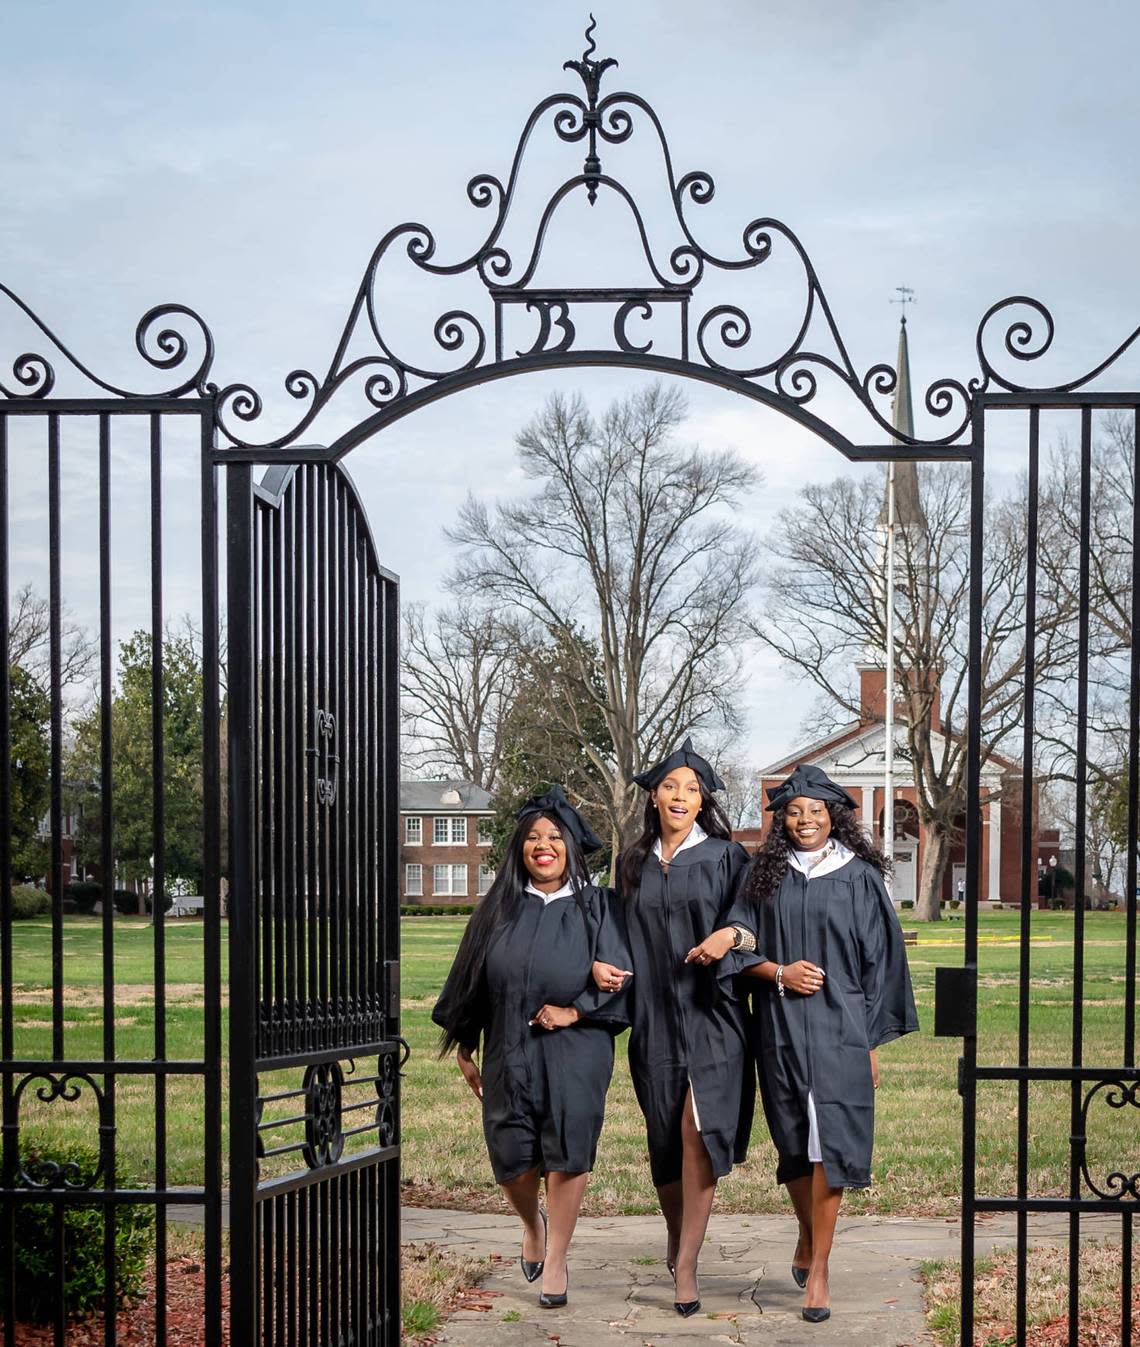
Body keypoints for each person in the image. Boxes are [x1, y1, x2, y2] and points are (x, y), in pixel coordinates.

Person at [692, 763, 919, 1324]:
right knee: (795, 1141)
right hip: (781, 1025)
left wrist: (867, 1040)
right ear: (781, 821)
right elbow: (739, 943)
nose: (804, 820)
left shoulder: (860, 876)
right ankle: (806, 1229)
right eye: (794, 812)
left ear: (834, 816)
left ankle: (819, 1267)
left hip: (841, 1028)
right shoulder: (763, 876)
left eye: (815, 811)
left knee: (832, 1140)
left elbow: (882, 964)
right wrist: (777, 972)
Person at [432, 785, 628, 1309]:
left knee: (567, 1151)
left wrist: (576, 1008)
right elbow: (470, 979)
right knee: (514, 1158)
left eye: (555, 837)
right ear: (520, 847)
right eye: (534, 837)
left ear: (570, 846)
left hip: (576, 1049)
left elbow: (623, 977)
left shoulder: (598, 908)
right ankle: (531, 1224)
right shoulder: (498, 908)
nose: (544, 845)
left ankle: (557, 1258)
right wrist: (465, 1046)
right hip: (509, 1044)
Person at [594, 738, 754, 1317]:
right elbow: (611, 927)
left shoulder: (728, 858)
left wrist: (729, 936)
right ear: (654, 798)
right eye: (670, 786)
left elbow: (752, 922)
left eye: (691, 788)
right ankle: (676, 1228)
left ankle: (687, 1265)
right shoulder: (631, 862)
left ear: (704, 798)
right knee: (663, 1136)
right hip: (653, 1016)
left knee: (697, 1130)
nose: (680, 796)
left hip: (714, 1014)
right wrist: (598, 962)